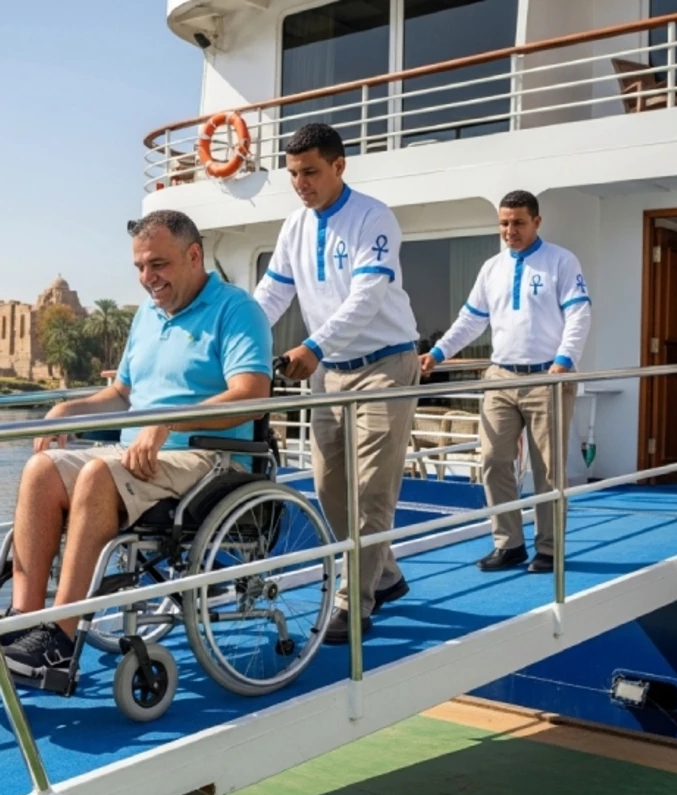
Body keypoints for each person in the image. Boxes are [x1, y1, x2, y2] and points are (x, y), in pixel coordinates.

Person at [0, 209, 274, 677]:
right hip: (141, 454)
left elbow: (253, 396)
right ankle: (22, 622)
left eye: (158, 264)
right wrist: (62, 412)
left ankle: (59, 640)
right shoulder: (150, 317)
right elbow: (122, 393)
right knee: (42, 468)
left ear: (194, 256)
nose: (146, 278)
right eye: (139, 267)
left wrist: (168, 424)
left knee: (97, 473)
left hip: (205, 455)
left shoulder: (236, 310)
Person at [253, 122, 420, 642]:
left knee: (372, 492)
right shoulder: (294, 227)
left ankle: (355, 603)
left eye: (310, 172)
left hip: (384, 366)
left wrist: (312, 347)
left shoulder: (374, 216)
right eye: (293, 174)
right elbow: (273, 295)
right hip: (329, 373)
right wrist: (236, 344)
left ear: (338, 166)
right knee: (329, 488)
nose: (300, 183)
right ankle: (386, 575)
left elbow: (366, 296)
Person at [420, 190, 591, 573]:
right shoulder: (491, 268)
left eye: (518, 223)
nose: (509, 230)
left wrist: (565, 362)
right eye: (503, 223)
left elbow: (579, 313)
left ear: (537, 222)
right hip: (499, 377)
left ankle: (548, 548)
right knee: (494, 460)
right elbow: (470, 320)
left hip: (548, 375)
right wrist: (438, 353)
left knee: (548, 470)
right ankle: (508, 543)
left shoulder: (561, 261)